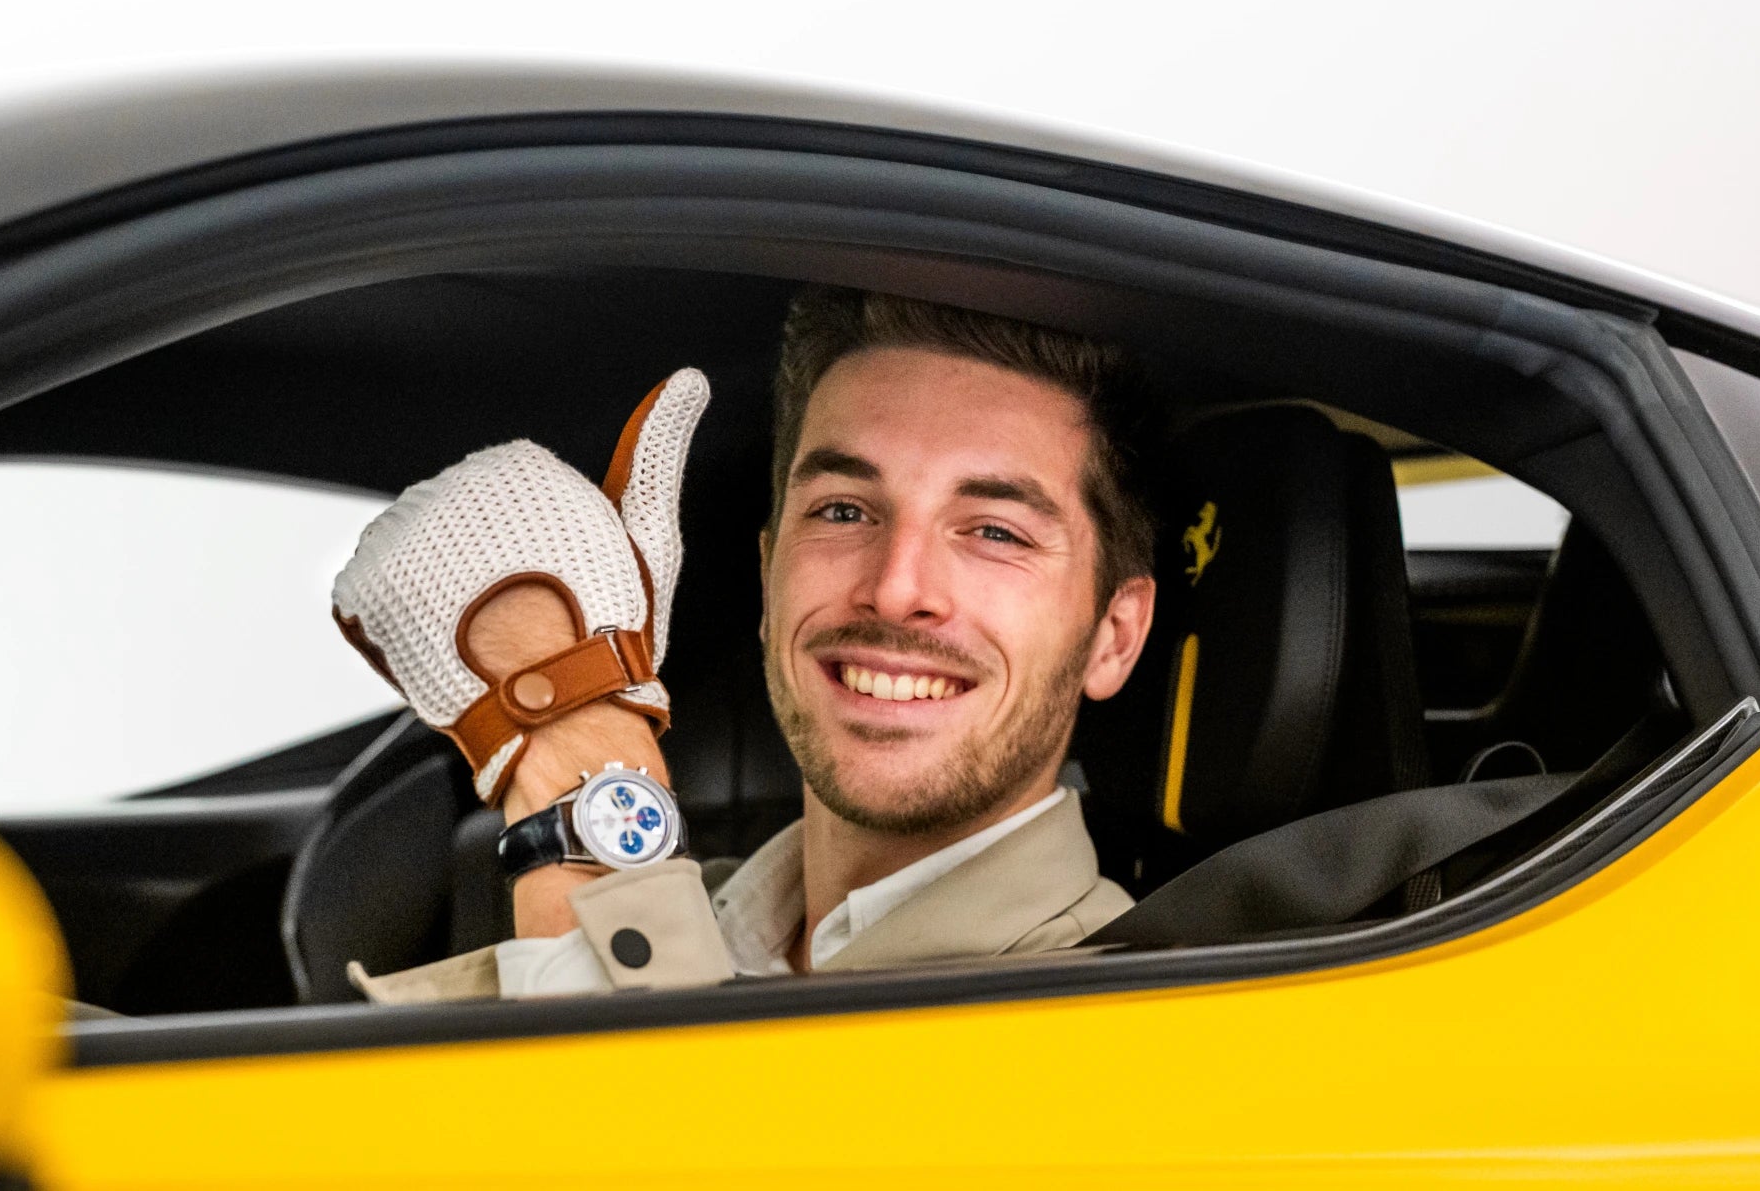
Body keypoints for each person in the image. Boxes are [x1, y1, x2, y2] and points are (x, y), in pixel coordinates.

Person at [338, 288, 1161, 1001]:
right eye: (843, 510)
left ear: (1113, 638)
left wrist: (574, 733)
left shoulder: (1138, 1023)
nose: (897, 586)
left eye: (994, 530)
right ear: (768, 581)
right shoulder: (703, 917)